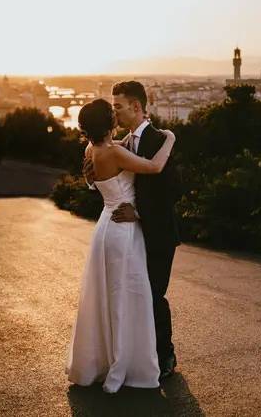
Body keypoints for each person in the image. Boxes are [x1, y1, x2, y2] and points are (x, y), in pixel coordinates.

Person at [65, 98, 176, 393]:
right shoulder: (114, 152)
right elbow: (154, 166)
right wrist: (171, 138)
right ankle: (127, 362)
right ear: (109, 123)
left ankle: (102, 360)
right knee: (128, 296)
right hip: (123, 230)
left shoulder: (92, 149)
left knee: (105, 296)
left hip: (105, 226)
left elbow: (99, 177)